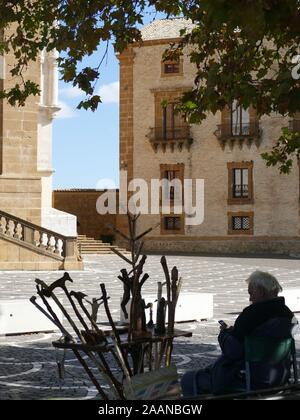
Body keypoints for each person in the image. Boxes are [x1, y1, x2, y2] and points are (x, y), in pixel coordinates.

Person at [181, 270, 298, 397]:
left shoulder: (251, 314)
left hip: (247, 378)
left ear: (261, 291)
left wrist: (224, 334)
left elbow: (233, 351)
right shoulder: (289, 316)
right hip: (280, 377)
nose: (250, 298)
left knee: (188, 379)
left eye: (251, 293)